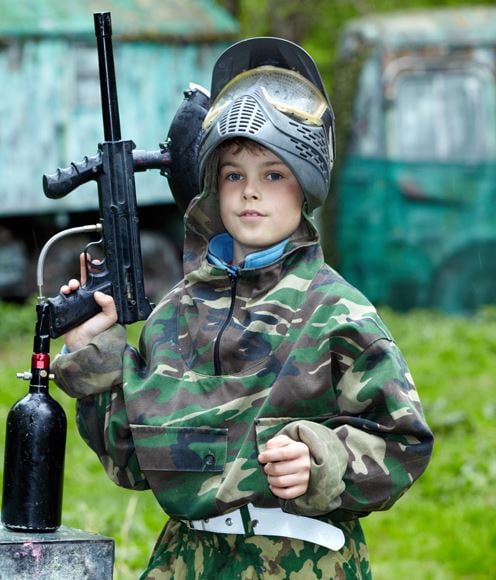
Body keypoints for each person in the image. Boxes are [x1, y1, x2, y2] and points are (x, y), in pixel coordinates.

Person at [51, 37, 433, 579]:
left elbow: (405, 443)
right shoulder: (176, 314)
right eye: (235, 175)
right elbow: (134, 462)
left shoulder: (338, 313)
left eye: (273, 175)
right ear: (211, 185)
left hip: (300, 562)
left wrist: (323, 459)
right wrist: (93, 356)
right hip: (185, 561)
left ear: (304, 186)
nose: (250, 193)